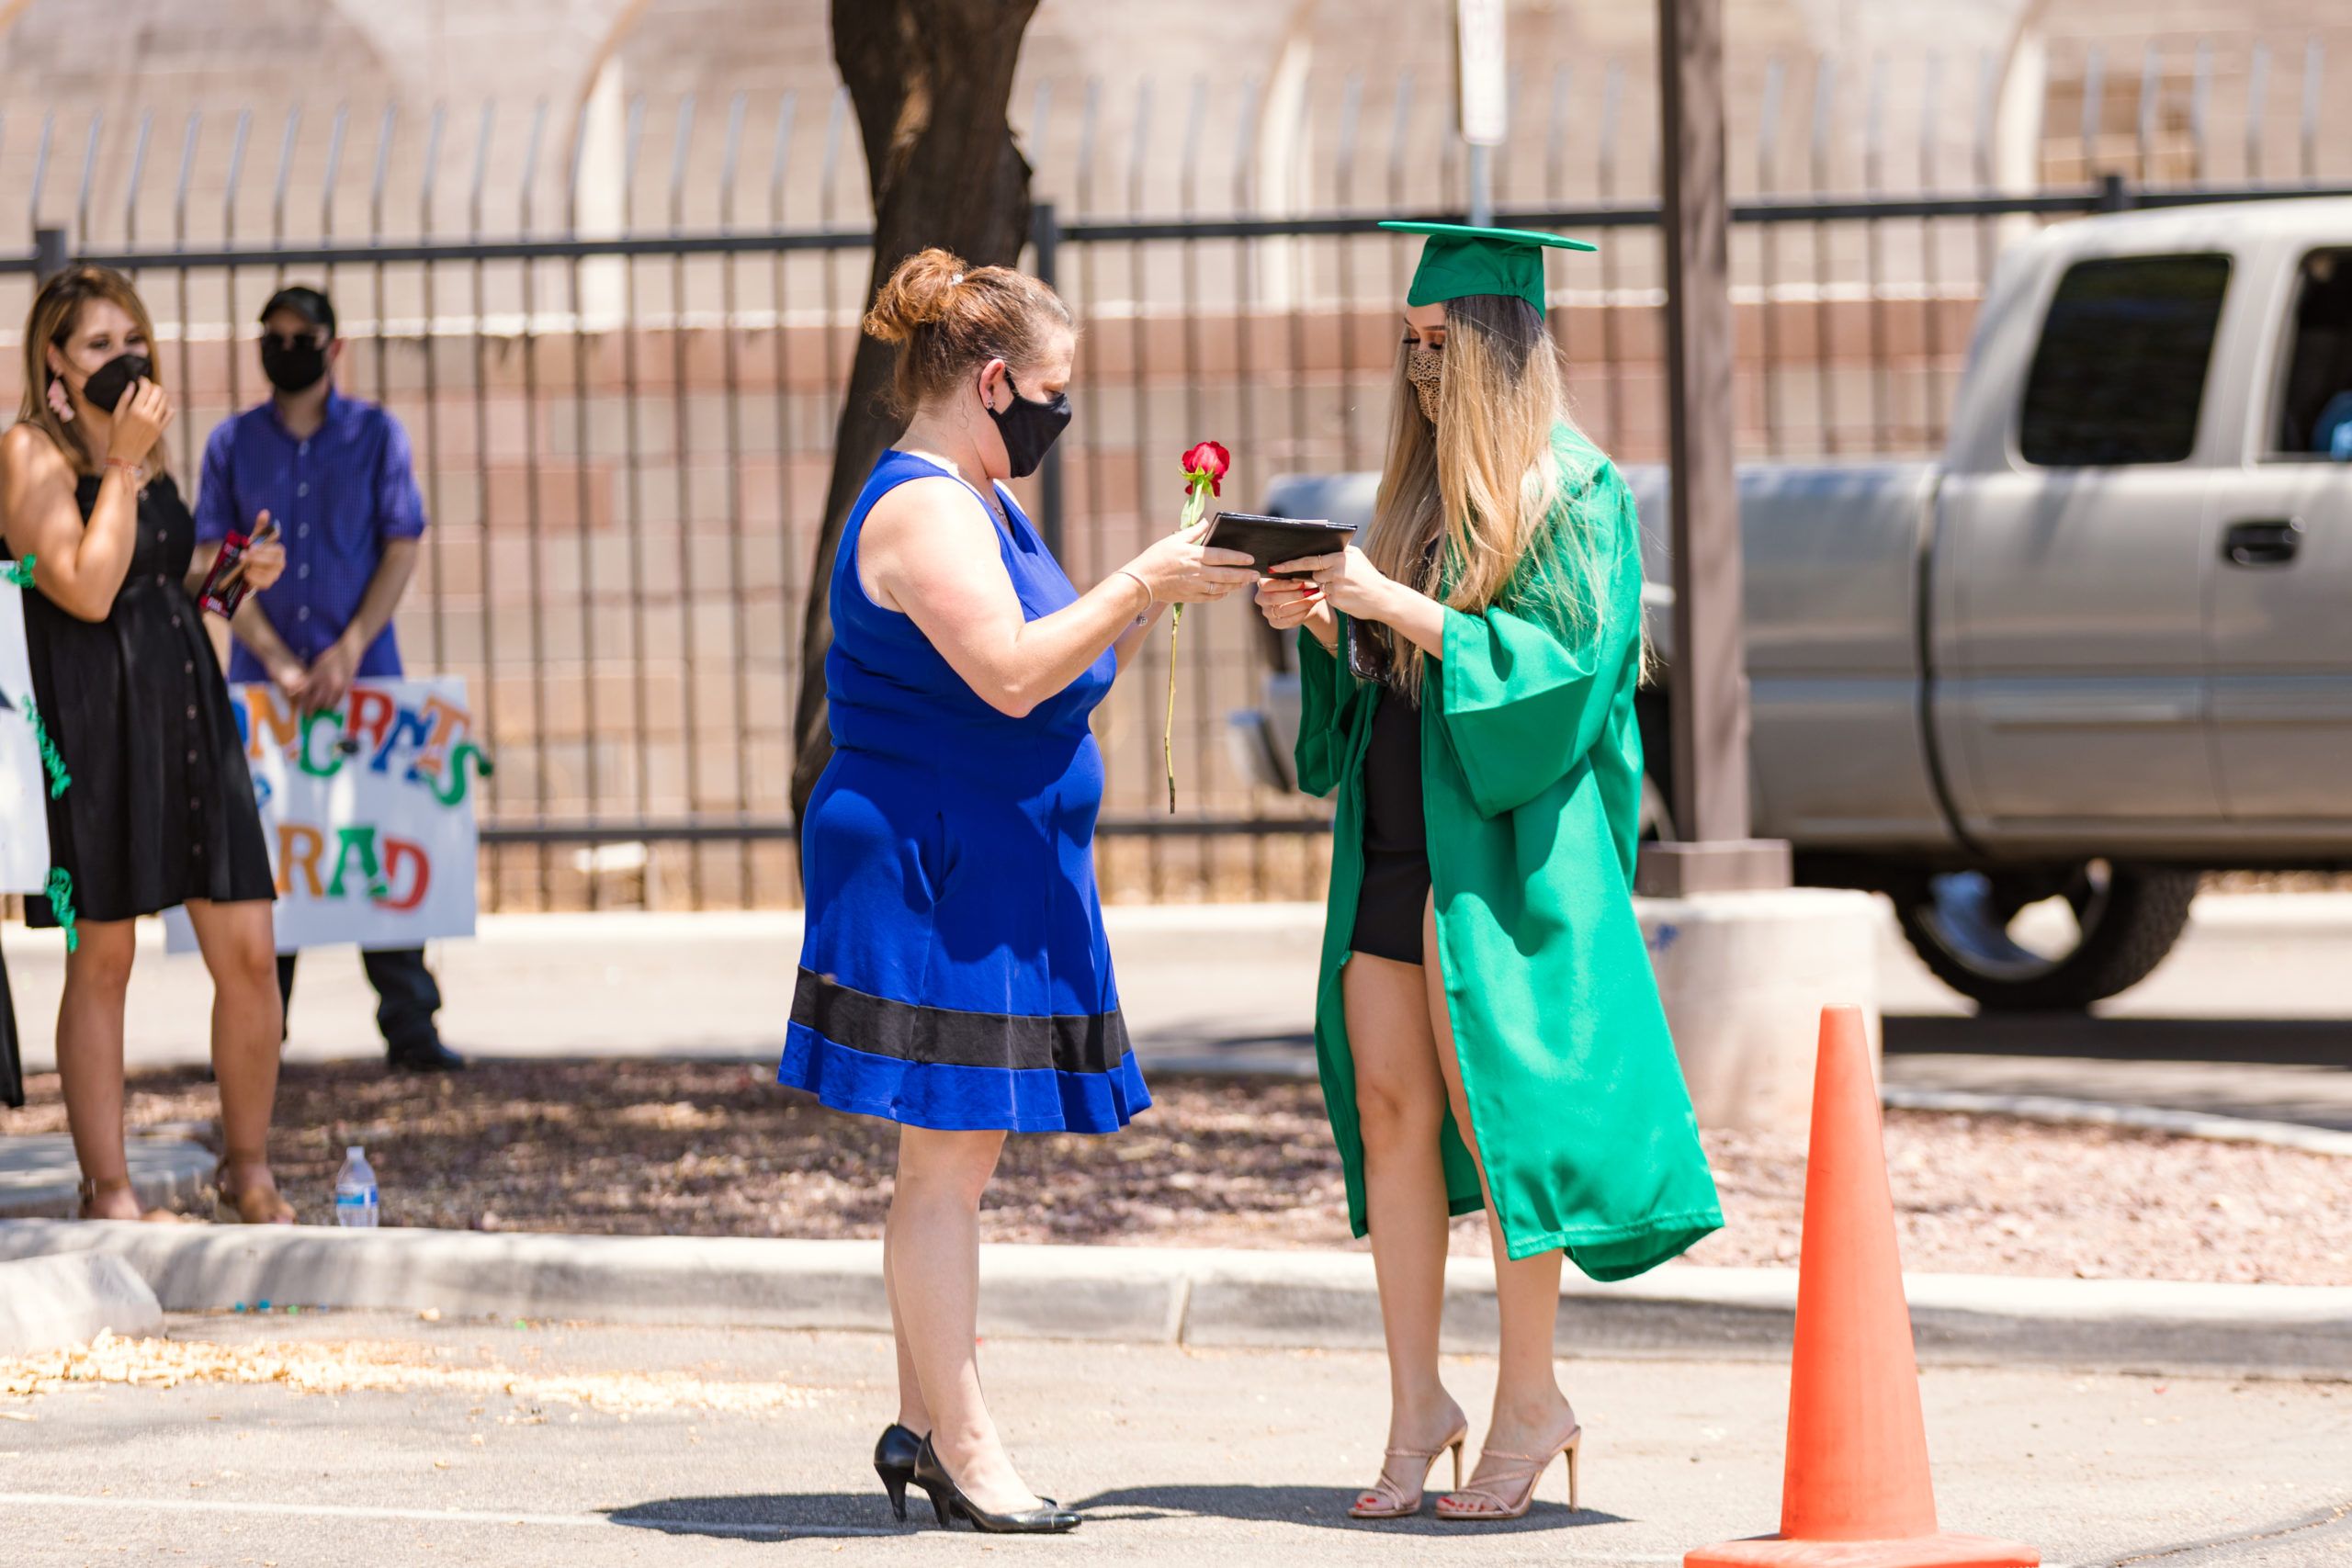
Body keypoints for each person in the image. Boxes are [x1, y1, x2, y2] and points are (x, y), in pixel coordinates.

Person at [1254, 222, 1724, 1524]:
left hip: (1499, 868)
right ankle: (1418, 1401)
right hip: (1394, 851)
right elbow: (1370, 706)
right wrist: (1322, 622)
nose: (1417, 369)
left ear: (1503, 346)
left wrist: (1387, 602)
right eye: (1405, 346)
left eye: (1438, 344)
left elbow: (1557, 687)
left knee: (1497, 1120)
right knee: (1395, 1116)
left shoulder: (1578, 492)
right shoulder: (1409, 503)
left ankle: (1532, 1395)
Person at [779, 248, 1254, 1534]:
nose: (1058, 413)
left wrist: (1169, 585)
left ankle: (920, 1427)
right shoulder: (926, 507)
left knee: (954, 1160)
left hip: (988, 859)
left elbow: (1062, 666)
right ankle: (966, 1444)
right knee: (946, 1160)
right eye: (1052, 390)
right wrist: (1140, 581)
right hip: (936, 864)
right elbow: (1007, 670)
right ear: (993, 383)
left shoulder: (979, 494)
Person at [0, 264, 295, 1224]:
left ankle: (246, 1166)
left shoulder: (150, 458)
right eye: (97, 345)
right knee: (106, 958)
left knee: (249, 949)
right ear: (52, 358)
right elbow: (84, 588)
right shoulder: (28, 455)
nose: (122, 360)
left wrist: (238, 579)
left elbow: (169, 592)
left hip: (187, 717)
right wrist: (119, 462)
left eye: (132, 342)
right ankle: (109, 1189)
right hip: (88, 730)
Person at [193, 285, 462, 1074]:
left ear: (333, 347)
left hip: (366, 682)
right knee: (267, 860)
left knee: (381, 844)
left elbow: (401, 544)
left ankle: (409, 1022)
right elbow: (213, 564)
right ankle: (257, 1032)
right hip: (262, 689)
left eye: (301, 336)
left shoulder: (378, 436)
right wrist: (274, 655)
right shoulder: (231, 445)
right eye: (271, 336)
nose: (286, 348)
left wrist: (348, 648)